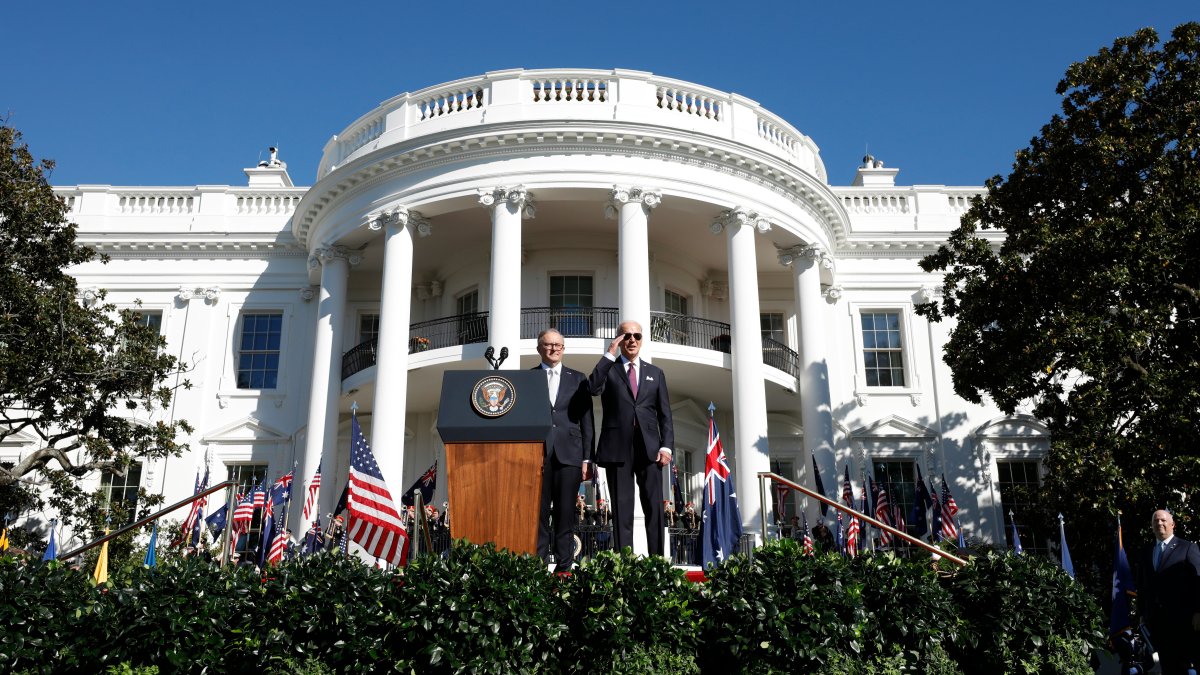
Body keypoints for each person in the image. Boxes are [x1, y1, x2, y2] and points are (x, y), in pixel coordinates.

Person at [587, 321, 674, 556]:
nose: (632, 340)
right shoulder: (610, 369)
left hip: (650, 450)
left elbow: (664, 414)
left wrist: (666, 446)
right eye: (626, 336)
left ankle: (656, 560)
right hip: (618, 449)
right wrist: (609, 354)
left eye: (636, 335)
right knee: (621, 509)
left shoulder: (655, 373)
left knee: (654, 509)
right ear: (618, 340)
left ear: (642, 339)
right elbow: (593, 388)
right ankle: (625, 563)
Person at [534, 328, 595, 572]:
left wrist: (588, 458)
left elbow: (587, 421)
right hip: (537, 456)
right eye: (548, 345)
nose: (553, 348)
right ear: (539, 349)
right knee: (537, 516)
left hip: (570, 454)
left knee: (565, 515)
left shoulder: (578, 378)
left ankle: (564, 569)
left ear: (563, 348)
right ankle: (536, 567)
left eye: (558, 345)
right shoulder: (529, 378)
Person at [1138, 509, 1200, 674]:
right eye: (1156, 521)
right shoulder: (1147, 551)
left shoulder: (1188, 548)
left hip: (1184, 621)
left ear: (1173, 524)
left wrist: (1198, 611)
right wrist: (1142, 613)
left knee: (1187, 667)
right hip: (1157, 622)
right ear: (1152, 526)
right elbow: (1143, 584)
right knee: (1167, 667)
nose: (1159, 523)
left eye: (1163, 520)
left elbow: (1198, 581)